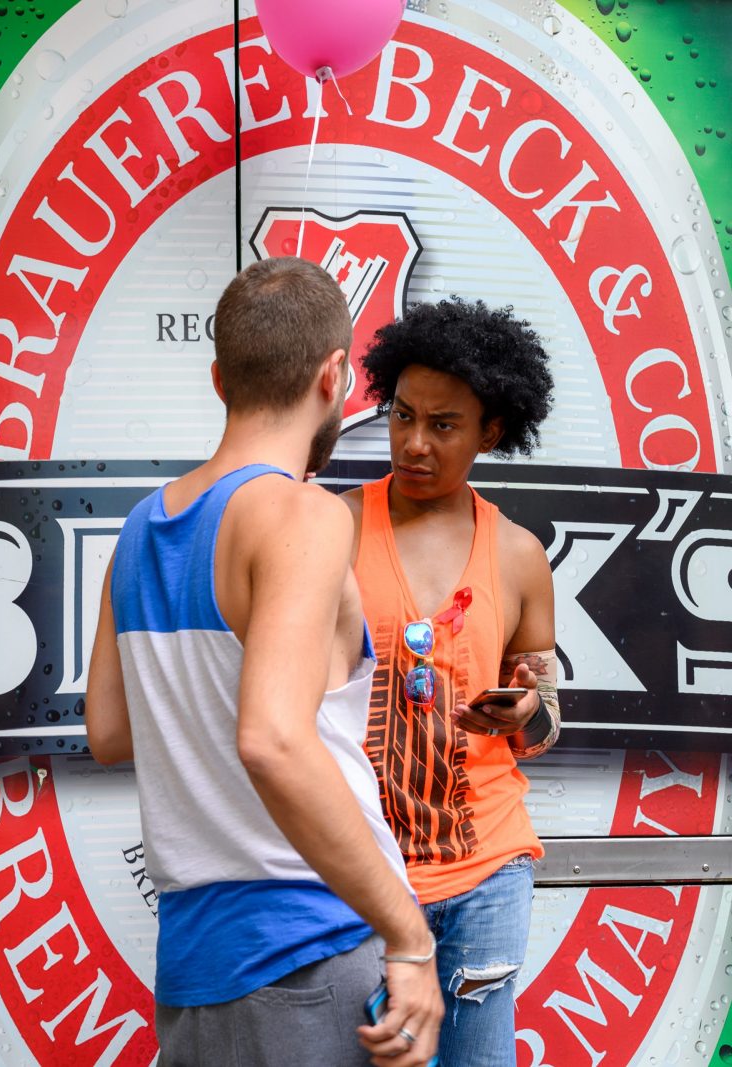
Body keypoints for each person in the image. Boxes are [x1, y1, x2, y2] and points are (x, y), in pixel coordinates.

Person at [85, 256, 443, 1067]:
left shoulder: (141, 527)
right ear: (335, 378)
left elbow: (109, 728)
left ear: (219, 378)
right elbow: (273, 739)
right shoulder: (301, 514)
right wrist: (409, 935)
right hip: (313, 949)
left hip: (193, 972)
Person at [342, 297, 560, 1067]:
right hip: (359, 870)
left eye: (444, 425)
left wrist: (526, 708)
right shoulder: (332, 528)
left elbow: (547, 716)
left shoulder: (519, 554)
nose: (414, 443)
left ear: (491, 432)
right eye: (403, 416)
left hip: (488, 874)